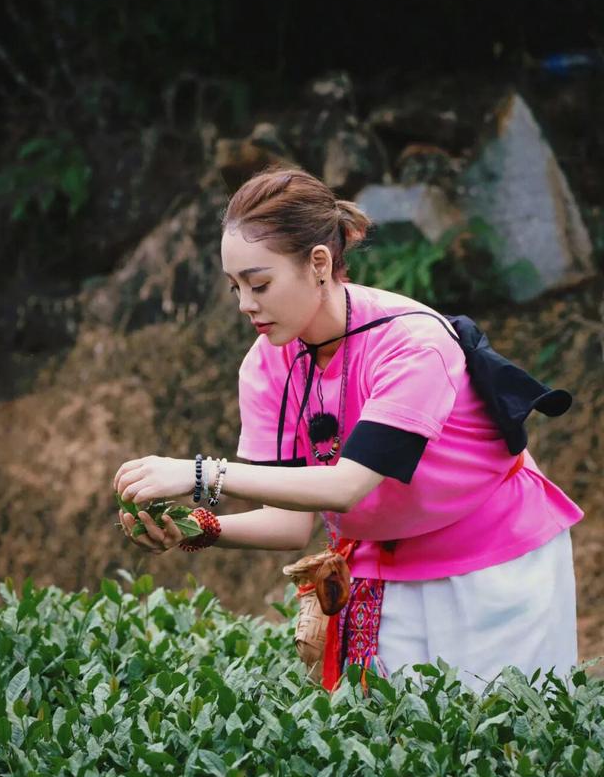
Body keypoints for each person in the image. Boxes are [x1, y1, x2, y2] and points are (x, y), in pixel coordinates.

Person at [114, 165, 584, 696]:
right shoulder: (267, 365)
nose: (246, 304)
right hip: (390, 566)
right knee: (399, 751)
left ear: (319, 263)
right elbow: (290, 526)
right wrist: (197, 527)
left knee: (505, 751)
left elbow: (346, 485)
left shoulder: (412, 343)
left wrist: (200, 474)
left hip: (496, 569)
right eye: (235, 287)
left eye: (259, 283)